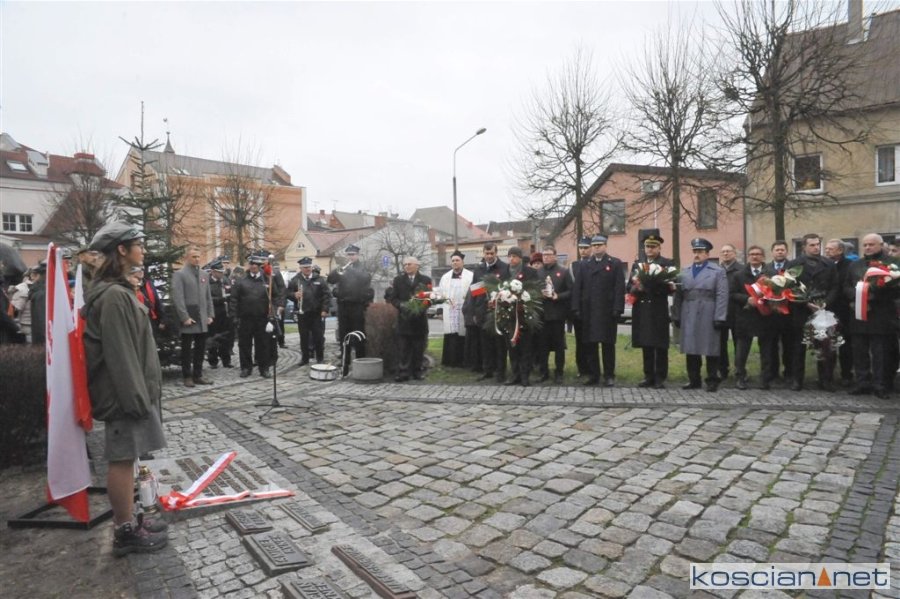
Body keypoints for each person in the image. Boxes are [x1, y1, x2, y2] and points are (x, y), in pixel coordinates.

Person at [81, 221, 167, 556]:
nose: (142, 250)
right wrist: (136, 400)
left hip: (128, 393)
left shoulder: (117, 291)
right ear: (121, 249)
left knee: (128, 458)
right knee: (120, 460)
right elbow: (121, 355)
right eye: (137, 244)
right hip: (123, 396)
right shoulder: (115, 296)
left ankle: (131, 518)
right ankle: (124, 531)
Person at [845, 233, 900, 399]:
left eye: (871, 244)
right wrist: (856, 295)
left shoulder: (892, 264)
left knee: (880, 352)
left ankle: (880, 384)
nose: (868, 247)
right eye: (865, 245)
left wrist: (873, 295)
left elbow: (896, 289)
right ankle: (862, 382)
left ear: (881, 245)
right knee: (859, 351)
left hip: (881, 314)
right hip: (859, 314)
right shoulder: (855, 265)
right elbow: (846, 286)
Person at [672, 238, 729, 392]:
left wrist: (720, 316)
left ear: (707, 254)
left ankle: (712, 379)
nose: (697, 254)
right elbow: (678, 295)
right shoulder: (685, 271)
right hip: (689, 311)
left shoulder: (717, 271)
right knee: (691, 347)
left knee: (711, 347)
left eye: (700, 251)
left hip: (708, 310)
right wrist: (676, 314)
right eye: (695, 251)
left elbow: (722, 295)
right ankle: (693, 379)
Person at [785, 234, 838, 391]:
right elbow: (790, 287)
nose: (816, 247)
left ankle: (825, 380)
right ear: (804, 247)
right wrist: (805, 302)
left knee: (824, 346)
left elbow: (835, 286)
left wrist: (825, 302)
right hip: (801, 310)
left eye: (817, 244)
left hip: (823, 310)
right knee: (798, 347)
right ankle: (797, 380)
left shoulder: (829, 264)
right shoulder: (794, 264)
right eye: (812, 245)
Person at [571, 235, 625, 387]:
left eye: (599, 245)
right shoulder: (584, 265)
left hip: (607, 311)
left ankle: (609, 375)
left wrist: (618, 308)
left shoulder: (614, 263)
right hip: (589, 310)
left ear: (605, 246)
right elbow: (578, 288)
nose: (596, 248)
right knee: (590, 345)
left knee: (608, 345)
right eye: (594, 245)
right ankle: (593, 375)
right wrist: (576, 307)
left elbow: (619, 288)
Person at [627, 233, 675, 389]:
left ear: (659, 248)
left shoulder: (666, 263)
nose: (650, 249)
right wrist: (636, 287)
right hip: (642, 308)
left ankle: (660, 377)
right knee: (646, 343)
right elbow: (629, 286)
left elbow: (671, 287)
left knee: (660, 344)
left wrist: (654, 284)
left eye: (653, 247)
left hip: (658, 307)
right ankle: (648, 375)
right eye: (648, 246)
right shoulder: (637, 264)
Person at [730, 245, 777, 390]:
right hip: (746, 317)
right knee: (742, 351)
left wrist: (769, 299)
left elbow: (779, 293)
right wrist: (747, 299)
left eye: (757, 254)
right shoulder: (739, 275)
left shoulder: (772, 274)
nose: (754, 256)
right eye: (752, 254)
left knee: (767, 351)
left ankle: (765, 379)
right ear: (748, 257)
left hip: (766, 317)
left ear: (763, 257)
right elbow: (732, 294)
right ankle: (740, 377)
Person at [230, 252, 282, 378]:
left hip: (262, 318)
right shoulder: (241, 281)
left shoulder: (267, 280)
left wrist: (273, 310)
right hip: (245, 318)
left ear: (260, 266)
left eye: (256, 264)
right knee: (244, 344)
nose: (253, 266)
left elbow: (276, 297)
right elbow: (234, 299)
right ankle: (246, 368)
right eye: (251, 264)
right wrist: (234, 316)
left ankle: (264, 368)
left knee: (263, 344)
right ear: (249, 265)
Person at [467, 242, 510, 382]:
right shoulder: (479, 269)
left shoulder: (504, 268)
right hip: (482, 310)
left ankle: (501, 372)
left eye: (492, 253)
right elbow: (474, 291)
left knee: (500, 344)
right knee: (485, 343)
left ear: (496, 253)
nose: (489, 256)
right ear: (483, 253)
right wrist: (473, 312)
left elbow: (507, 288)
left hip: (499, 310)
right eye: (487, 253)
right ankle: (488, 370)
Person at [172, 246, 214, 387]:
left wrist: (210, 314)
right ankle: (187, 376)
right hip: (189, 317)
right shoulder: (180, 275)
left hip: (202, 317)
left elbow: (208, 296)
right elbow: (178, 298)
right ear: (187, 258)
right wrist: (184, 317)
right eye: (194, 257)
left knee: (200, 349)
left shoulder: (204, 274)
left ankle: (198, 375)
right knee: (186, 349)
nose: (197, 259)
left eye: (198, 256)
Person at [327, 244, 374, 374]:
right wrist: (337, 271)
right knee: (343, 335)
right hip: (343, 306)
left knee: (359, 334)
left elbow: (366, 279)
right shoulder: (343, 268)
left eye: (353, 255)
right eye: (348, 255)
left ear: (357, 255)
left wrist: (351, 269)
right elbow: (330, 280)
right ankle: (345, 361)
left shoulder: (362, 268)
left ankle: (360, 361)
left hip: (357, 306)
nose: (350, 257)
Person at [390, 257, 432, 381]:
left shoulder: (425, 280)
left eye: (409, 264)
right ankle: (403, 372)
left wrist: (420, 307)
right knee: (404, 348)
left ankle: (417, 372)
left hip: (419, 320)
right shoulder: (398, 280)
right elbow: (393, 298)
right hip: (404, 320)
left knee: (419, 348)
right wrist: (401, 305)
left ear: (417, 266)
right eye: (405, 264)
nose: (406, 266)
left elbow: (430, 298)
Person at [535, 245, 572, 384]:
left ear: (555, 256)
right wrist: (539, 294)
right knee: (542, 346)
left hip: (557, 315)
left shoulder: (563, 271)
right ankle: (543, 372)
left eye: (549, 254)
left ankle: (559, 372)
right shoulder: (538, 272)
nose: (546, 257)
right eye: (544, 255)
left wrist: (558, 296)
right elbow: (532, 290)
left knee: (559, 346)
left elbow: (571, 291)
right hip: (542, 315)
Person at [504, 247, 540, 387]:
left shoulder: (530, 272)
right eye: (509, 256)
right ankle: (515, 374)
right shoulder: (504, 272)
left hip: (524, 315)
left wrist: (523, 300)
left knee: (525, 347)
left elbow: (535, 290)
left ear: (520, 258)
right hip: (509, 316)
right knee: (512, 347)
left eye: (514, 256)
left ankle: (525, 375)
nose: (511, 259)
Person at [287, 257, 331, 365]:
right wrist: (294, 295)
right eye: (305, 267)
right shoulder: (295, 280)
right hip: (303, 313)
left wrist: (325, 309)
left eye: (309, 267)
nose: (307, 269)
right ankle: (305, 358)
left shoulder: (319, 279)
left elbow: (327, 295)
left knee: (318, 337)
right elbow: (287, 293)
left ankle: (320, 358)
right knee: (304, 337)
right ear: (300, 268)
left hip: (316, 313)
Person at [823, 239, 854, 386]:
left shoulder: (850, 265)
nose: (827, 251)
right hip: (827, 310)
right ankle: (827, 376)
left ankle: (846, 375)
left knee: (845, 345)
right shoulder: (823, 264)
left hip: (844, 310)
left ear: (840, 250)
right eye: (826, 248)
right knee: (828, 345)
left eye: (830, 249)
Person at [437, 250, 473, 368]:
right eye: (453, 261)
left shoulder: (470, 276)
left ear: (462, 262)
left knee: (463, 334)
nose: (455, 262)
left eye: (457, 260)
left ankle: (464, 361)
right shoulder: (445, 277)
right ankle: (451, 361)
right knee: (451, 334)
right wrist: (440, 310)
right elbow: (440, 294)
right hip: (450, 309)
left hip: (464, 309)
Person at [764, 240, 793, 380]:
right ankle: (773, 373)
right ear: (772, 252)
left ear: (787, 252)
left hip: (789, 313)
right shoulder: (766, 269)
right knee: (771, 345)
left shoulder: (793, 268)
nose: (780, 252)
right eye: (777, 250)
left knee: (789, 345)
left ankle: (789, 372)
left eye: (782, 250)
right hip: (771, 314)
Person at [717, 244, 743, 381]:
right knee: (720, 343)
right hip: (721, 312)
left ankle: (740, 370)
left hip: (737, 311)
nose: (725, 254)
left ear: (734, 253)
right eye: (723, 252)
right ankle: (723, 370)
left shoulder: (742, 269)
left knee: (739, 343)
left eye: (728, 251)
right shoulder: (717, 270)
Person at [569, 237, 593, 377]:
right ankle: (581, 368)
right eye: (581, 248)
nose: (583, 251)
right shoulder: (573, 266)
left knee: (591, 341)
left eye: (586, 248)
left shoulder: (594, 263)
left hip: (591, 308)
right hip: (578, 309)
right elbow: (573, 289)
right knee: (580, 341)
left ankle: (592, 367)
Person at [206, 259, 234, 369]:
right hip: (213, 313)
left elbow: (231, 292)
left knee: (226, 338)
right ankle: (213, 361)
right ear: (213, 271)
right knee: (212, 337)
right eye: (219, 272)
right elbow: (207, 299)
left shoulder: (225, 280)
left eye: (222, 272)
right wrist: (221, 299)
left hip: (225, 314)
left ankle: (226, 360)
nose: (221, 274)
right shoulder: (207, 282)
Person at [28, 261, 47, 345]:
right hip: (43, 339)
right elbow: (42, 319)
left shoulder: (38, 291)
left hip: (40, 338)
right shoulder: (42, 294)